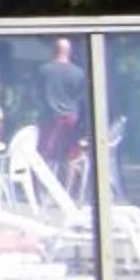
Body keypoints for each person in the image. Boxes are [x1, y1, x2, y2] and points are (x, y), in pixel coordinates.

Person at [39, 38, 89, 180]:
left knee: (46, 155)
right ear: (69, 51)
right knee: (71, 156)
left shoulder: (44, 70)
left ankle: (45, 190)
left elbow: (37, 93)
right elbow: (80, 98)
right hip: (71, 118)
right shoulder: (79, 73)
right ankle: (68, 190)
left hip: (50, 117)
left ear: (54, 50)